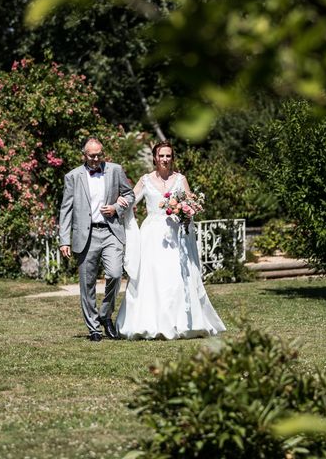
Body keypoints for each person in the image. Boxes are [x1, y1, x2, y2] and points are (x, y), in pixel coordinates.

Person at [115, 142, 226, 339]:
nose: (165, 159)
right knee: (153, 275)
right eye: (161, 156)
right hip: (152, 234)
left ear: (172, 158)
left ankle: (181, 322)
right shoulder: (145, 180)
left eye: (168, 156)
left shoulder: (180, 179)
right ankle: (149, 322)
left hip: (175, 234)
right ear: (155, 158)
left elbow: (190, 203)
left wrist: (187, 209)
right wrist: (118, 204)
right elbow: (131, 199)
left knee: (177, 275)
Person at [59, 138, 135, 342]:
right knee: (87, 283)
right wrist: (64, 239)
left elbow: (130, 195)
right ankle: (94, 327)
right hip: (86, 235)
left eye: (99, 154)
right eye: (91, 155)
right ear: (84, 154)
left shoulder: (115, 170)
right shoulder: (72, 176)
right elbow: (66, 209)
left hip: (111, 231)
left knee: (115, 273)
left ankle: (105, 314)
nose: (96, 159)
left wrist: (117, 208)